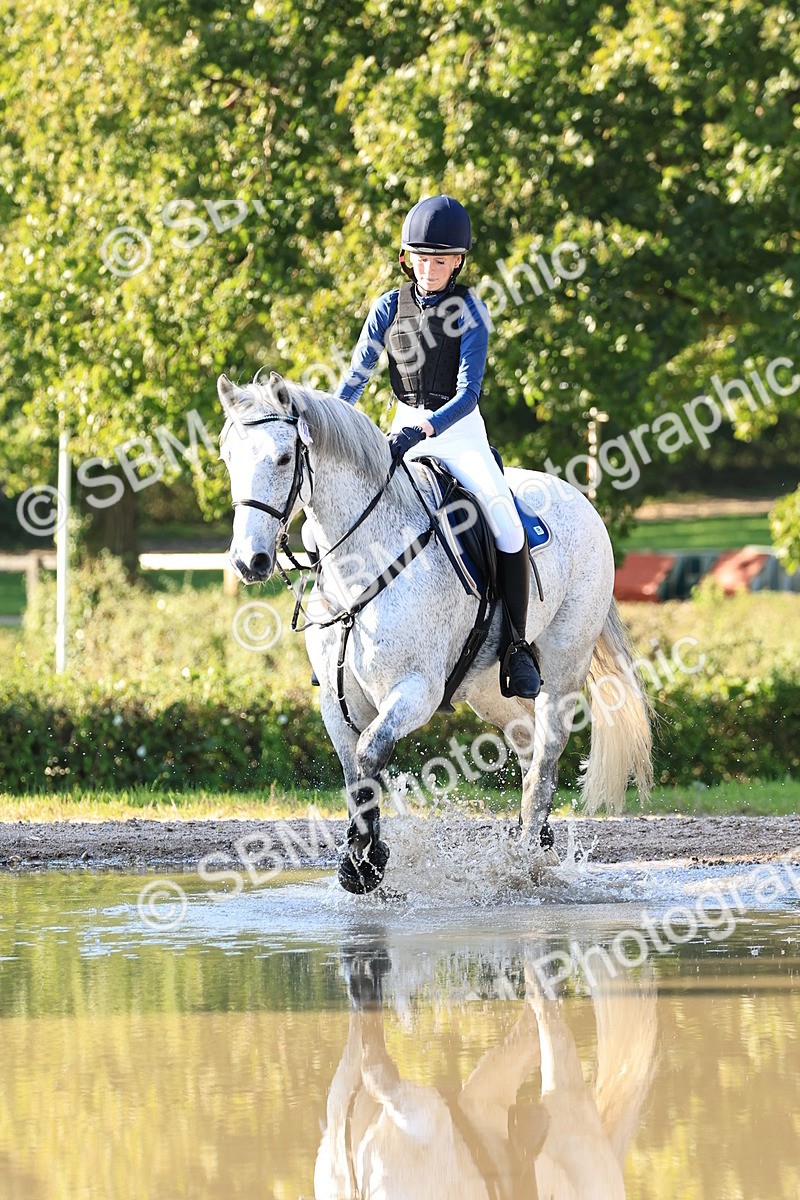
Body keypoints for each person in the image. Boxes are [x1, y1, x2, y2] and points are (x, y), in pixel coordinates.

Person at [334, 194, 541, 699]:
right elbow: (357, 375)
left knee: (507, 526)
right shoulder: (388, 306)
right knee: (344, 507)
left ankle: (516, 646)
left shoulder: (471, 312)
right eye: (422, 259)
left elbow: (469, 393)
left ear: (458, 263)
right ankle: (333, 628)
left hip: (458, 432)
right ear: (408, 259)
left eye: (441, 260)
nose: (430, 269)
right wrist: (334, 420)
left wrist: (426, 430)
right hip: (401, 422)